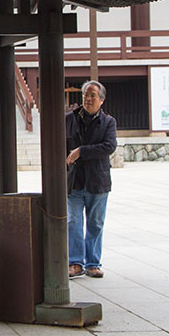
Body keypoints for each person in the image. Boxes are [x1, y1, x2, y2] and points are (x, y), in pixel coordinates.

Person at [66, 80, 117, 279]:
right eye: (86, 95)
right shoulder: (69, 119)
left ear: (101, 100)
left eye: (93, 95)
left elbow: (109, 146)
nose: (88, 99)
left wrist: (81, 151)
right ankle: (75, 262)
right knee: (73, 222)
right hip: (74, 181)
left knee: (95, 223)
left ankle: (93, 263)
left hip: (98, 181)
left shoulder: (108, 122)